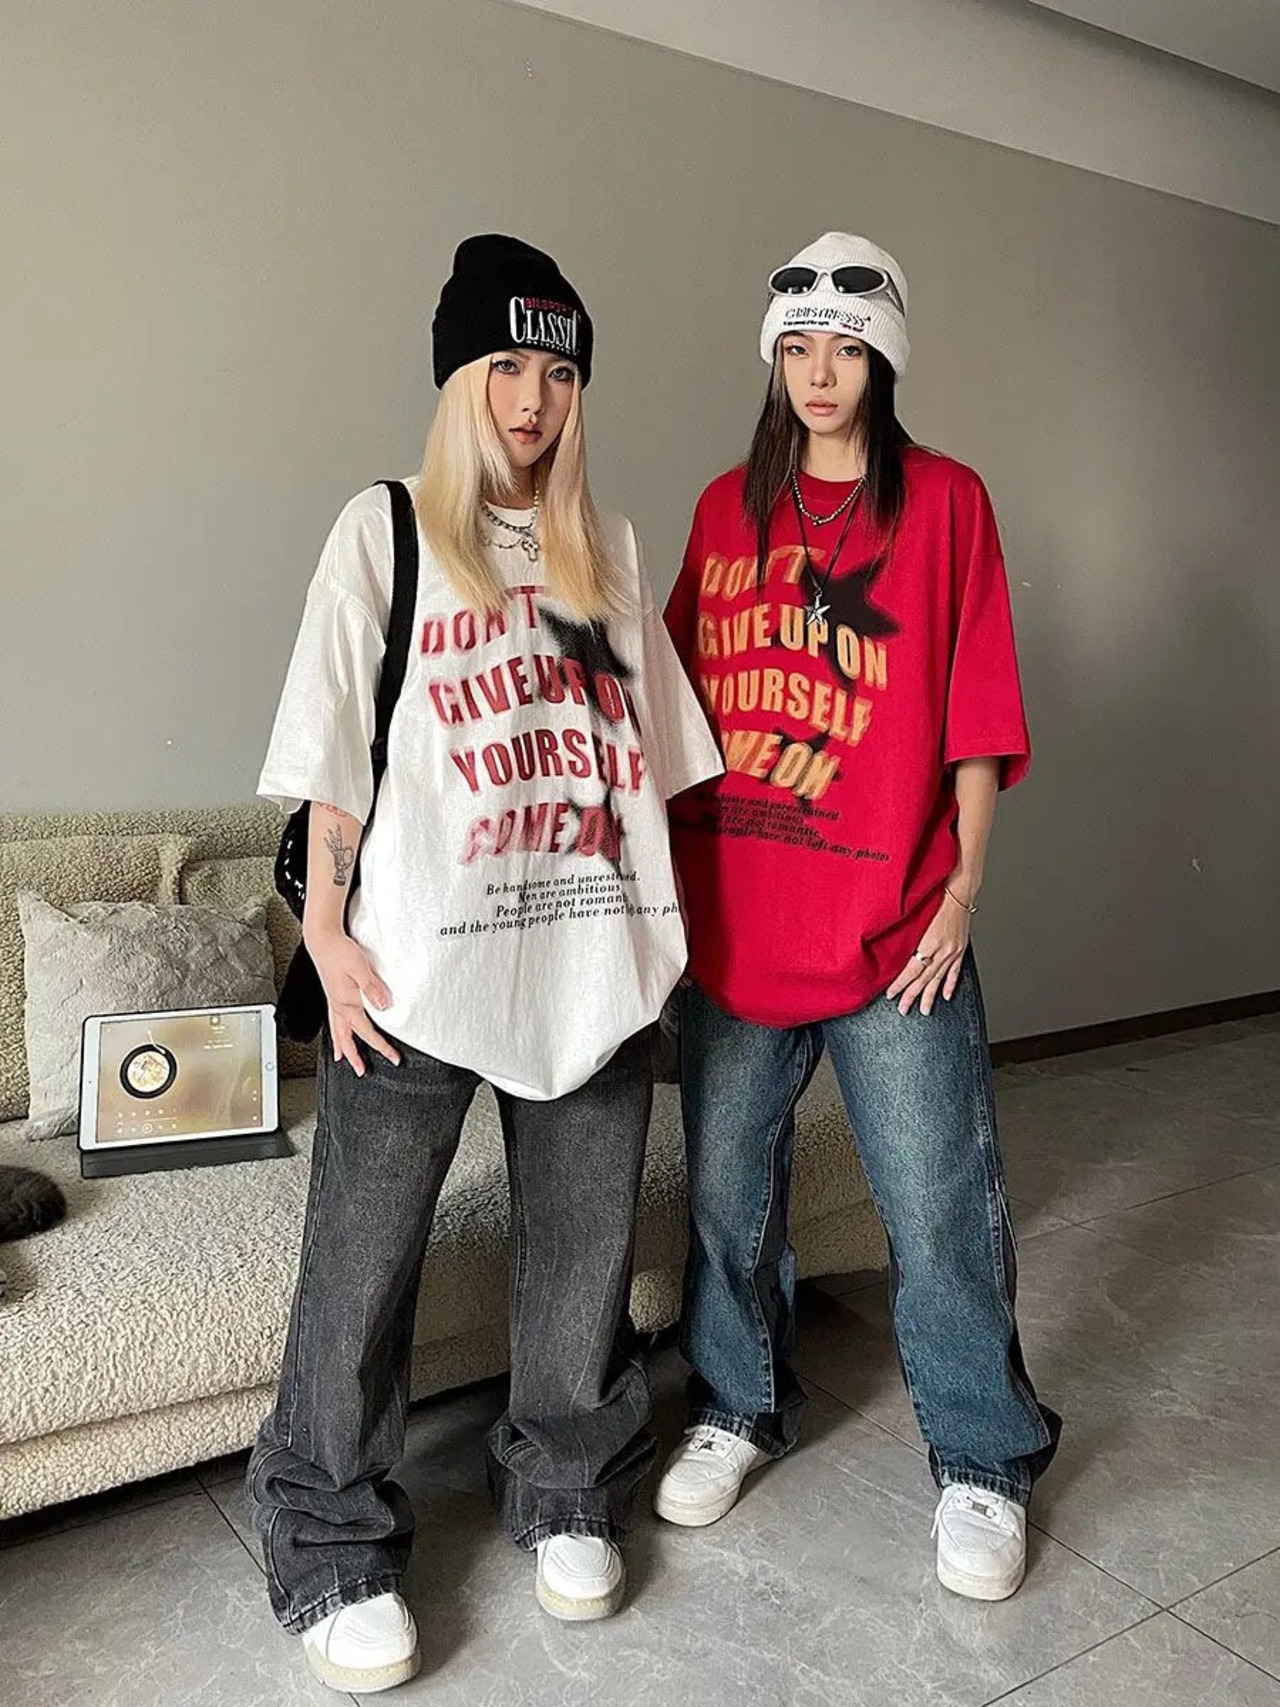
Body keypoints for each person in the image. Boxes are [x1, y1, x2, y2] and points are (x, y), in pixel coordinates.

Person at [247, 234, 722, 1694]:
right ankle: (330, 1540)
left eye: (560, 373)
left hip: (586, 959)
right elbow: (336, 754)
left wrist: (660, 943)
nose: (533, 399)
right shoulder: (385, 529)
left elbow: (655, 765)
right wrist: (328, 936)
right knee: (360, 1271)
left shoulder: (610, 549)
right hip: (412, 972)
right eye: (506, 366)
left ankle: (570, 1485)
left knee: (584, 1254)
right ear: (459, 378)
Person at [654, 232, 1061, 1601]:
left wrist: (962, 892)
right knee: (725, 1199)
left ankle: (984, 1460)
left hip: (897, 940)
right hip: (737, 927)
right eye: (796, 348)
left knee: (940, 1210)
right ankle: (737, 1405)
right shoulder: (724, 512)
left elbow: (977, 717)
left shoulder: (947, 503)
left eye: (845, 347)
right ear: (773, 361)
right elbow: (671, 713)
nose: (820, 372)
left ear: (883, 360)